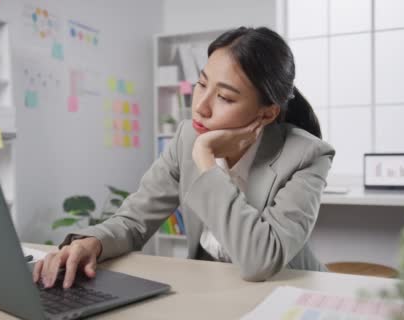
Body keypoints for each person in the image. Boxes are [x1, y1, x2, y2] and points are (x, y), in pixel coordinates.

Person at [34, 26, 335, 289]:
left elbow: (260, 261)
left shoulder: (307, 155)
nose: (200, 107)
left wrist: (206, 160)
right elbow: (134, 220)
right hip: (216, 291)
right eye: (202, 84)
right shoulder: (185, 138)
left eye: (225, 97)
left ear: (267, 113)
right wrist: (92, 243)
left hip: (290, 296)